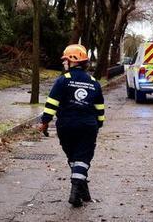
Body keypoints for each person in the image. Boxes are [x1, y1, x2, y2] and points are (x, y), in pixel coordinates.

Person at [37, 44, 104, 207]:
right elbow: (100, 108)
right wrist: (98, 124)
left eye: (65, 60)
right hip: (88, 125)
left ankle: (80, 190)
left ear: (72, 61)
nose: (63, 63)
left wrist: (45, 122)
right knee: (82, 158)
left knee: (74, 157)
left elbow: (51, 104)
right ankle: (77, 191)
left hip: (66, 126)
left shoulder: (63, 80)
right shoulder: (94, 82)